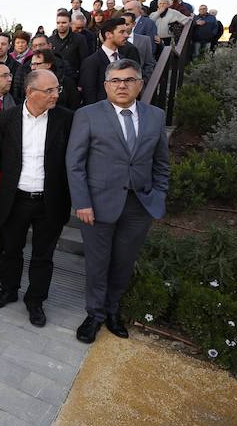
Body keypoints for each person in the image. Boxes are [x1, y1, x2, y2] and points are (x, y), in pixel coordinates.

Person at [67, 59, 169, 344]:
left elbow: (162, 164)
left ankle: (113, 311)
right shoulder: (87, 115)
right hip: (97, 206)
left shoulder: (156, 116)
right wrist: (82, 203)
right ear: (106, 85)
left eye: (128, 80)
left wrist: (158, 195)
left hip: (138, 206)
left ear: (140, 84)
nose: (122, 85)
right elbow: (74, 164)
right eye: (116, 80)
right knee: (98, 264)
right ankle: (95, 314)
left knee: (123, 263)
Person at [0, 70, 74, 327]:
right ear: (29, 92)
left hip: (50, 201)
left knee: (43, 255)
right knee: (11, 249)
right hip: (15, 198)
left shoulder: (67, 119)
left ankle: (35, 300)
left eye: (56, 89)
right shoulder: (6, 120)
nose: (55, 94)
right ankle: (9, 289)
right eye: (49, 91)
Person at [79, 18, 142, 105]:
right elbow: (89, 96)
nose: (126, 35)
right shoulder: (91, 62)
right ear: (108, 35)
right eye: (121, 32)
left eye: (126, 32)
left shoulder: (124, 59)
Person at [49, 11, 87, 80]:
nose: (61, 25)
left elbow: (84, 62)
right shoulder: (50, 40)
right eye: (58, 23)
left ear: (70, 23)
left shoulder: (80, 39)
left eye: (64, 23)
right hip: (55, 79)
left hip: (73, 79)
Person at [121, 8, 157, 80]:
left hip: (138, 79)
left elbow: (149, 62)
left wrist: (145, 79)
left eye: (127, 24)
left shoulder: (145, 40)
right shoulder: (114, 39)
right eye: (121, 24)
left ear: (134, 24)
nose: (124, 27)